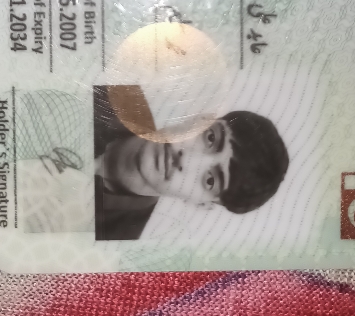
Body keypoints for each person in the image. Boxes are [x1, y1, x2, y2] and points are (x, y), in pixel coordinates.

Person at [93, 85, 289, 240]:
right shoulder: (110, 90)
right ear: (201, 119)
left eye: (210, 180)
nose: (186, 159)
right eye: (210, 138)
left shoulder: (111, 240)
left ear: (200, 204)